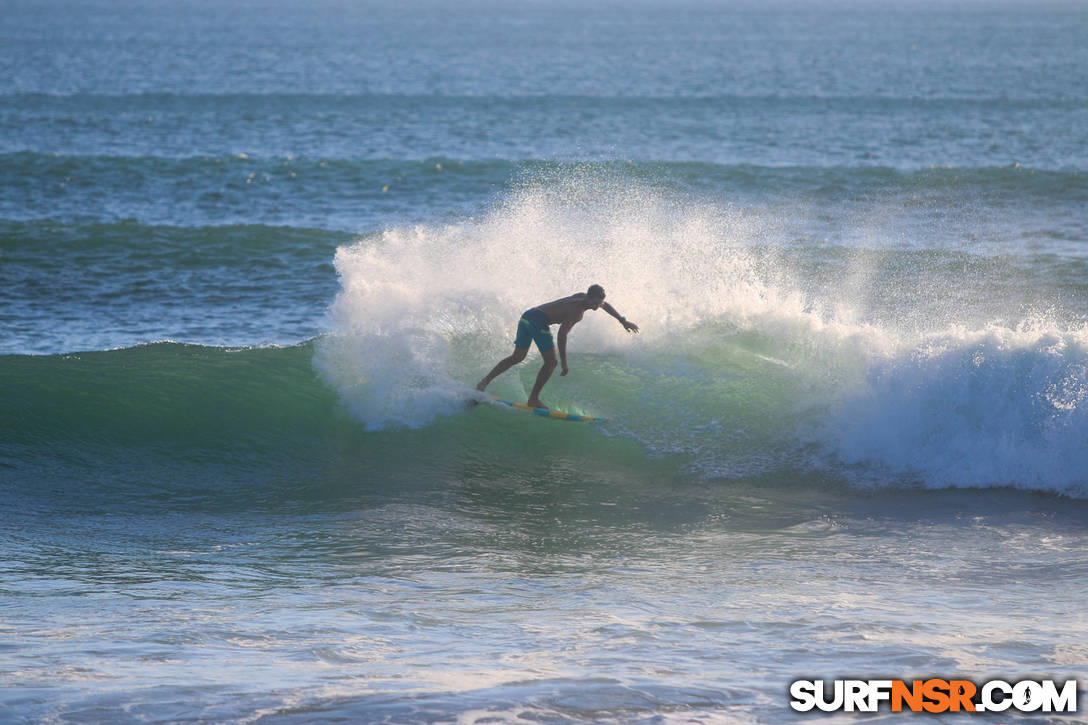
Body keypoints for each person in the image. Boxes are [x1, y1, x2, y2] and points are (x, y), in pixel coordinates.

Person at [476, 284, 639, 409]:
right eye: (595, 303)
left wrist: (622, 320)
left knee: (517, 357)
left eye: (599, 303)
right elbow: (562, 335)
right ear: (588, 298)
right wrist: (564, 362)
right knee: (551, 362)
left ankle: (483, 383)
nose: (597, 306)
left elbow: (606, 305)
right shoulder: (577, 312)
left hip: (527, 316)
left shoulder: (583, 297)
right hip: (537, 321)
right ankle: (533, 399)